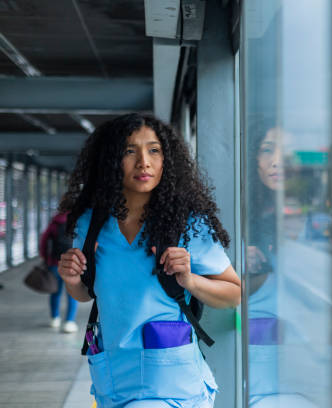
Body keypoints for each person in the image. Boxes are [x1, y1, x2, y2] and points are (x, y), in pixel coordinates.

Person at [57, 113, 241, 408]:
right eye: (129, 151)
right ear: (109, 161)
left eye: (154, 150)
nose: (144, 161)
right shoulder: (89, 224)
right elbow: (86, 293)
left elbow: (234, 293)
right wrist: (71, 280)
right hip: (113, 381)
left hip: (171, 383)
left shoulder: (187, 223)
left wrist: (190, 280)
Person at [246, 120, 316, 408]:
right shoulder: (239, 218)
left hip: (313, 359)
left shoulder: (322, 218)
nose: (277, 162)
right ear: (252, 158)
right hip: (258, 366)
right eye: (267, 150)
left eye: (288, 152)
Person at [39, 211, 79, 333]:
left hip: (55, 263)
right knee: (73, 294)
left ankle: (55, 318)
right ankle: (69, 322)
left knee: (55, 292)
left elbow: (44, 241)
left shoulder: (55, 222)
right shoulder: (79, 221)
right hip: (72, 264)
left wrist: (46, 259)